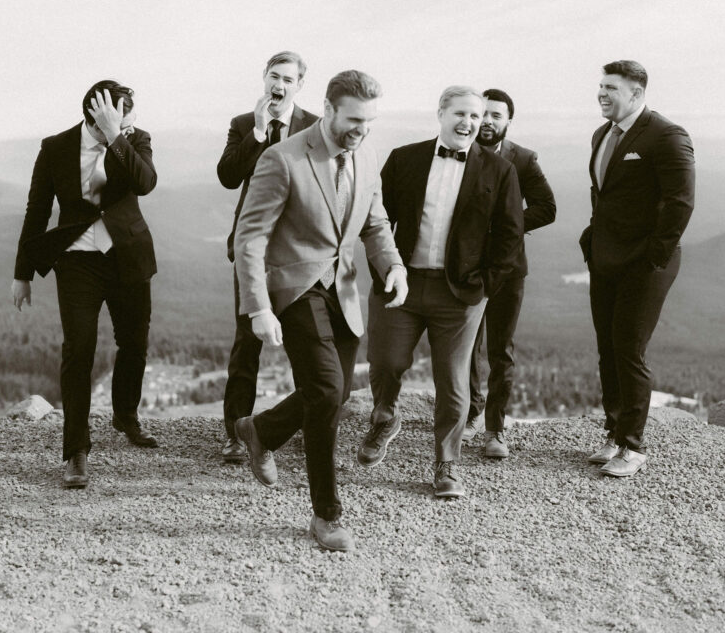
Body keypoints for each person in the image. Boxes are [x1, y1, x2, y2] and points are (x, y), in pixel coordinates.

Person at [233, 70, 407, 551]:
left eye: (370, 120)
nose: (362, 129)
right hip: (295, 287)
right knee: (328, 390)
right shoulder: (282, 158)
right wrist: (258, 307)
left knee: (332, 393)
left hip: (344, 291)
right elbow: (251, 238)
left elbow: (375, 222)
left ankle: (261, 429)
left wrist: (392, 265)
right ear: (328, 109)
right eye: (353, 119)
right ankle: (326, 515)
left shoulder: (368, 154)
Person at [358, 86, 524, 498]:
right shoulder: (405, 158)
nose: (471, 123)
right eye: (462, 114)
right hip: (401, 284)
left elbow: (510, 237)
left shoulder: (499, 170)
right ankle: (385, 416)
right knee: (385, 362)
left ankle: (447, 463)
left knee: (453, 382)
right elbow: (376, 220)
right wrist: (385, 271)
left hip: (461, 295)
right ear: (440, 113)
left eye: (478, 115)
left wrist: (485, 286)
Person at [11, 80, 158, 490]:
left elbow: (145, 182)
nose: (131, 123)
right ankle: (76, 450)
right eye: (120, 117)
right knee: (79, 349)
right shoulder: (55, 147)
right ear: (95, 115)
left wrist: (117, 136)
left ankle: (126, 416)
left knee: (134, 343)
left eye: (128, 118)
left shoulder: (134, 139)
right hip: (76, 262)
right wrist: (22, 273)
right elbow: (37, 209)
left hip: (128, 257)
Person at [579, 60, 695, 477]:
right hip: (606, 258)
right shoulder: (602, 134)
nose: (601, 93)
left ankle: (633, 445)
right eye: (600, 86)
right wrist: (592, 240)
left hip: (645, 264)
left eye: (611, 87)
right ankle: (614, 432)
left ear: (637, 92)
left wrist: (653, 258)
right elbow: (603, 194)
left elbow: (680, 202)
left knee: (629, 348)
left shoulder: (667, 135)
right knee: (607, 348)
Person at [216, 52, 318, 463]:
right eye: (273, 76)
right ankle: (236, 434)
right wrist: (257, 133)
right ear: (264, 79)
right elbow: (227, 177)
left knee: (305, 344)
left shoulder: (315, 126)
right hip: (251, 249)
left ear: (298, 85)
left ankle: (303, 427)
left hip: (298, 249)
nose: (279, 84)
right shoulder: (244, 124)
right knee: (246, 343)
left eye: (287, 79)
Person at [463, 89, 556, 458]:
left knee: (501, 349)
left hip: (508, 268)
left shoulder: (523, 159)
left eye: (496, 115)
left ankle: (495, 428)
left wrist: (503, 227)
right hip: (465, 266)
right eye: (482, 113)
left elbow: (547, 208)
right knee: (465, 346)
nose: (487, 121)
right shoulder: (459, 152)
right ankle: (468, 414)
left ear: (508, 122)